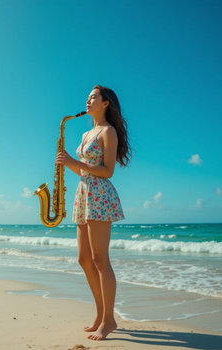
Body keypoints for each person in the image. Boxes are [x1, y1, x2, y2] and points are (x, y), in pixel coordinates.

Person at [56, 85, 131, 341]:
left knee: (100, 259)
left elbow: (108, 170)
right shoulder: (87, 133)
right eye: (88, 96)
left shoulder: (108, 132)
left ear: (106, 103)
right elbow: (85, 169)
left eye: (93, 97)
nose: (87, 100)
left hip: (99, 195)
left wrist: (73, 162)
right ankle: (101, 315)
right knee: (84, 259)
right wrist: (69, 166)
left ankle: (109, 320)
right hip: (84, 193)